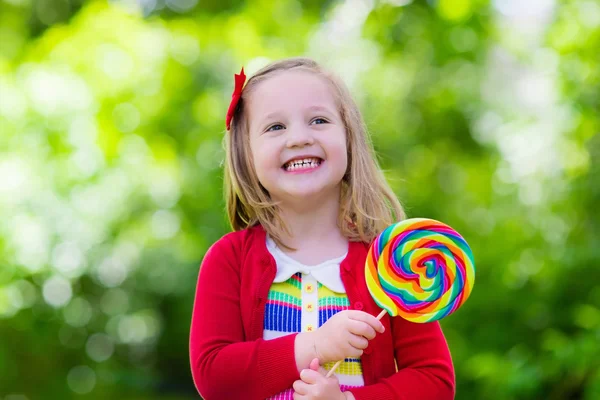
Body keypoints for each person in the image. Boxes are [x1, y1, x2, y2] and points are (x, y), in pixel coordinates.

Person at [189, 57, 455, 400]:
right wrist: (315, 345)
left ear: (349, 137)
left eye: (319, 120)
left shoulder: (391, 263)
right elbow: (214, 376)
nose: (299, 138)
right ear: (246, 154)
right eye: (275, 127)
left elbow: (434, 381)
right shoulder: (230, 259)